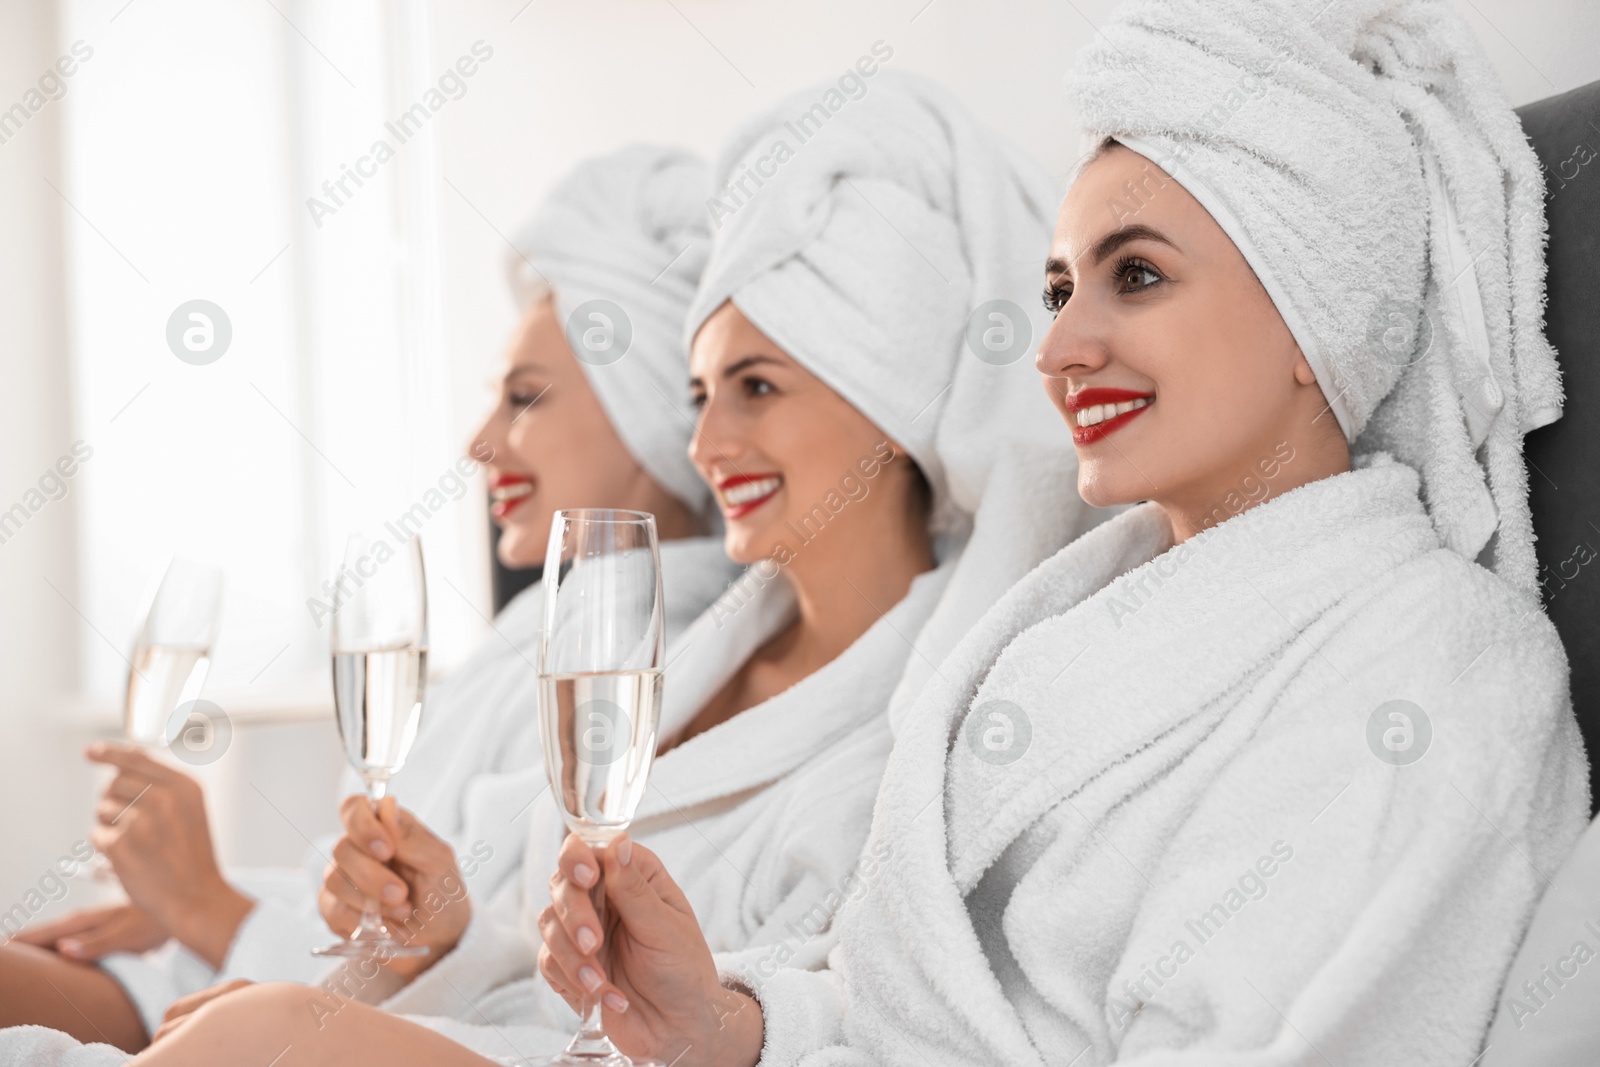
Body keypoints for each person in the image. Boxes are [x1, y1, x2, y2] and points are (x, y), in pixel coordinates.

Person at [512, 2, 1593, 1064]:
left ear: (1312, 309)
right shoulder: (1062, 621)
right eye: (1057, 288)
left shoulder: (1433, 670)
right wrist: (724, 1021)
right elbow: (902, 994)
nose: (1058, 346)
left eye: (1136, 275)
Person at [88, 71, 1106, 1067]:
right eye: (702, 390)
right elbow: (547, 994)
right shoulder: (699, 646)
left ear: (893, 399)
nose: (708, 439)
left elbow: (832, 1013)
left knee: (252, 1032)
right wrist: (441, 939)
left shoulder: (931, 724)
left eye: (756, 386)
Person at [0, 144, 739, 1055]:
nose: (480, 443)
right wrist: (199, 906)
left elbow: (510, 975)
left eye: (525, 398)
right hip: (252, 976)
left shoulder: (635, 655)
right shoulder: (542, 638)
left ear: (648, 413)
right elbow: (414, 901)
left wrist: (209, 903)